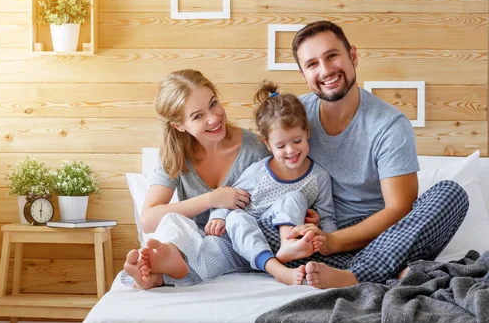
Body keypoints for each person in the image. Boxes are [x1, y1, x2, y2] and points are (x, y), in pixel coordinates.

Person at [273, 20, 470, 288]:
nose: (326, 70)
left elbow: (399, 209)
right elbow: (265, 170)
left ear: (352, 55)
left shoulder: (389, 124)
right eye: (312, 64)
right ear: (303, 75)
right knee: (256, 224)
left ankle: (352, 276)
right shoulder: (294, 118)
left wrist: (334, 242)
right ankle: (382, 271)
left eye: (332, 56)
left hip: (382, 238)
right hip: (316, 237)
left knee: (451, 194)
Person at [123, 69, 308, 289]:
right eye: (198, 116)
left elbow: (285, 189)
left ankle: (164, 269)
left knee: (205, 247)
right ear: (179, 125)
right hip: (198, 246)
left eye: (213, 103)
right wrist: (212, 199)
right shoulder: (175, 157)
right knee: (173, 222)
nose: (213, 118)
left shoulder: (256, 149)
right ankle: (164, 264)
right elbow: (149, 219)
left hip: (243, 243)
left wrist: (303, 213)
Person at [207, 81, 336, 272]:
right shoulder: (258, 172)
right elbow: (230, 198)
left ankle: (287, 245)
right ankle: (270, 264)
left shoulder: (319, 177)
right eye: (281, 146)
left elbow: (328, 218)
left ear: (307, 132)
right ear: (268, 144)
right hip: (250, 242)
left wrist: (323, 236)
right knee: (236, 217)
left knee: (294, 197)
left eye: (297, 140)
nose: (291, 150)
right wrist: (218, 217)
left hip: (285, 241)